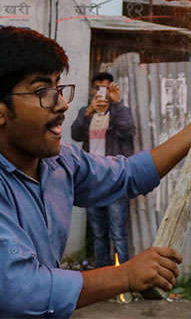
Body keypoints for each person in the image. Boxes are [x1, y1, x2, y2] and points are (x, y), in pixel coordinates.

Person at [0, 27, 191, 317]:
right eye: (42, 91)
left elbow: (128, 174)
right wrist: (127, 274)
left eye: (59, 88)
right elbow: (22, 290)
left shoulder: (57, 161)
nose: (61, 103)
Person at [70, 72, 136, 268]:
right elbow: (75, 134)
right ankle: (102, 272)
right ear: (92, 90)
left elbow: (128, 130)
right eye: (98, 87)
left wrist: (116, 104)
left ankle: (123, 279)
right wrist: (88, 112)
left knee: (118, 232)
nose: (101, 92)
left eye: (106, 87)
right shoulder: (87, 111)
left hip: (115, 179)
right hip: (92, 180)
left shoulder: (117, 112)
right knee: (99, 233)